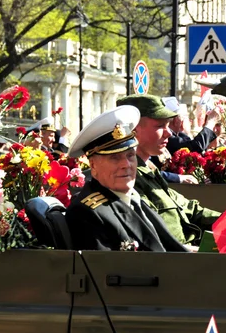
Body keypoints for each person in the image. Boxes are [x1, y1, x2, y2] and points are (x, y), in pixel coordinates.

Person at [65, 105, 188, 252]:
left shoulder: (133, 198)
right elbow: (108, 272)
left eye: (130, 155)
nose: (126, 164)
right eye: (114, 158)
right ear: (93, 165)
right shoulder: (89, 213)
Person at [117, 95, 221, 247]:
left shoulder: (149, 170)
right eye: (160, 126)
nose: (169, 133)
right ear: (134, 130)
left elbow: (189, 208)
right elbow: (158, 237)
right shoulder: (130, 178)